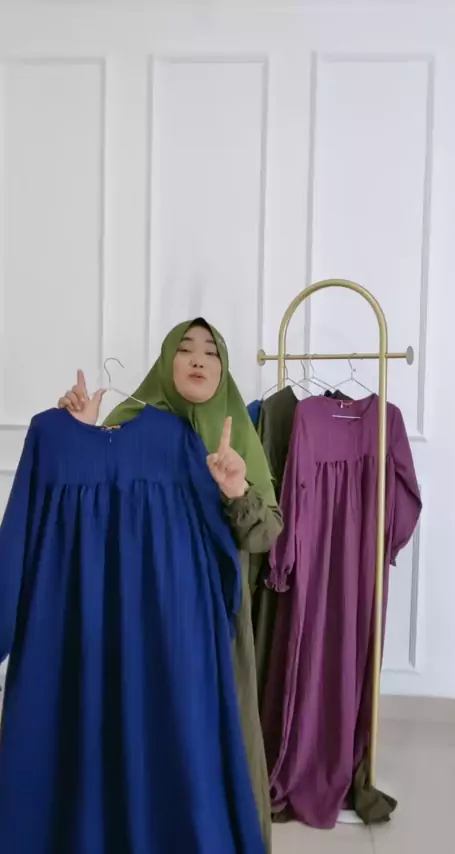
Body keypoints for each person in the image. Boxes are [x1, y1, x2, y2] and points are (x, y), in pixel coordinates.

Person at [56, 318, 282, 851]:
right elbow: (84, 523)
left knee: (208, 745)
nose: (198, 359)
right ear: (165, 362)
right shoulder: (126, 426)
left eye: (211, 352)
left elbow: (266, 533)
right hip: (134, 620)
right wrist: (80, 436)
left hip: (211, 631)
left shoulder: (236, 434)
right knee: (138, 735)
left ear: (223, 369)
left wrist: (235, 489)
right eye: (185, 349)